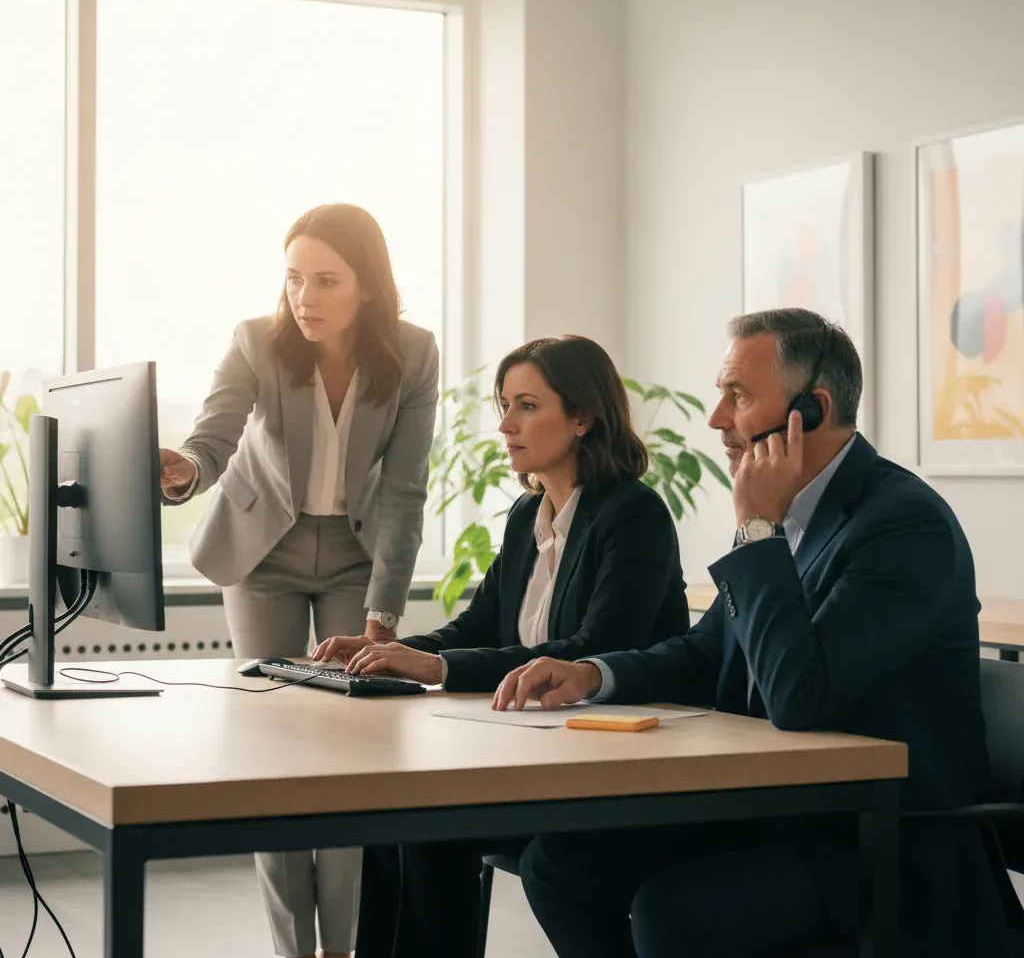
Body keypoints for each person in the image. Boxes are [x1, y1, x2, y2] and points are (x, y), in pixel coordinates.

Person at [495, 308, 1016, 958]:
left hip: (882, 847)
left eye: (736, 396)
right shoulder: (786, 517)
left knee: (675, 910)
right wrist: (595, 675)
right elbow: (708, 649)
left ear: (813, 410)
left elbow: (799, 693)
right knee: (560, 869)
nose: (716, 418)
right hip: (777, 817)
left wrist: (758, 530)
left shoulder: (905, 528)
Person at [314, 334, 691, 958]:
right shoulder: (527, 513)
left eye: (526, 406)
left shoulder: (634, 513)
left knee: (430, 822)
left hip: (612, 762)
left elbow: (596, 647)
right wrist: (394, 650)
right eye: (504, 404)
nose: (505, 423)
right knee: (393, 814)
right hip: (538, 747)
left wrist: (436, 665)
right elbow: (478, 625)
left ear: (582, 418)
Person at [159, 203, 439, 958]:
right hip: (263, 555)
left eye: (324, 280)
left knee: (352, 751)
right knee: (272, 751)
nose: (303, 298)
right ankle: (292, 948)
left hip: (353, 551)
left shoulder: (413, 354)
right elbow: (212, 439)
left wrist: (384, 615)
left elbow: (407, 490)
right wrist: (185, 472)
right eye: (292, 279)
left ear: (368, 287)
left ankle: (342, 947)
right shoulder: (258, 341)